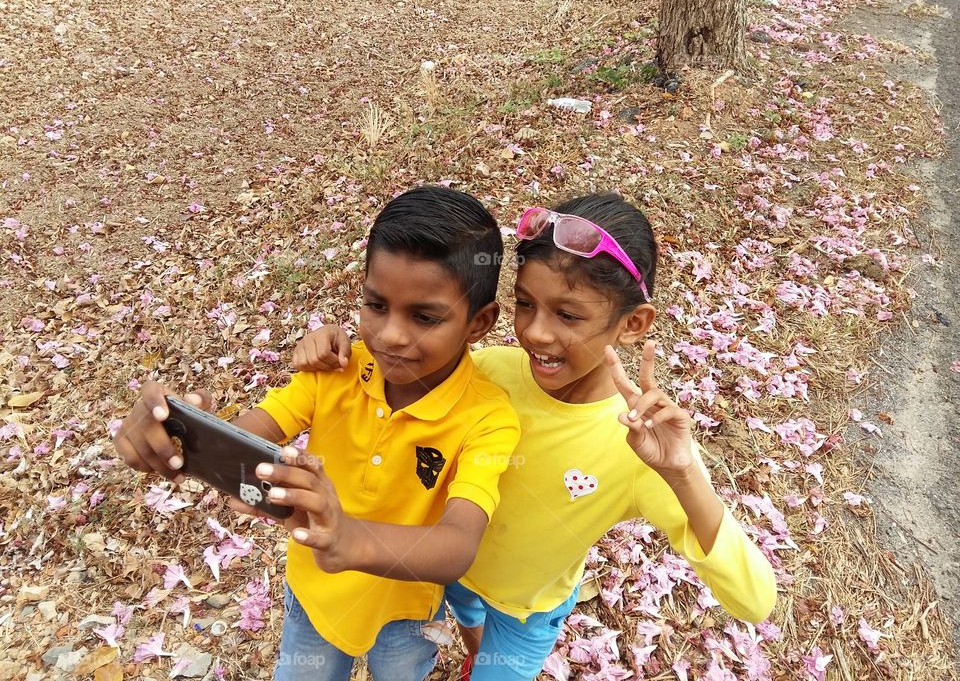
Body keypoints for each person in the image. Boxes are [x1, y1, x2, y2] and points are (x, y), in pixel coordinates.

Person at [293, 192, 778, 681]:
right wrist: (337, 347)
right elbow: (401, 362)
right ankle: (474, 647)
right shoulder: (490, 371)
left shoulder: (640, 446)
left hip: (527, 609)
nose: (536, 333)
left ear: (633, 324)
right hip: (448, 569)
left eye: (568, 315)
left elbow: (755, 602)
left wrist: (683, 473)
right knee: (469, 617)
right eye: (526, 304)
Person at [113, 186, 522, 681]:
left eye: (424, 317)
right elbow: (252, 434)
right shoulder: (334, 371)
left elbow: (458, 542)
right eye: (376, 305)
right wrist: (187, 437)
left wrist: (350, 537)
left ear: (479, 323)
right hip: (316, 592)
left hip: (407, 610)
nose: (391, 335)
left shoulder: (488, 418)